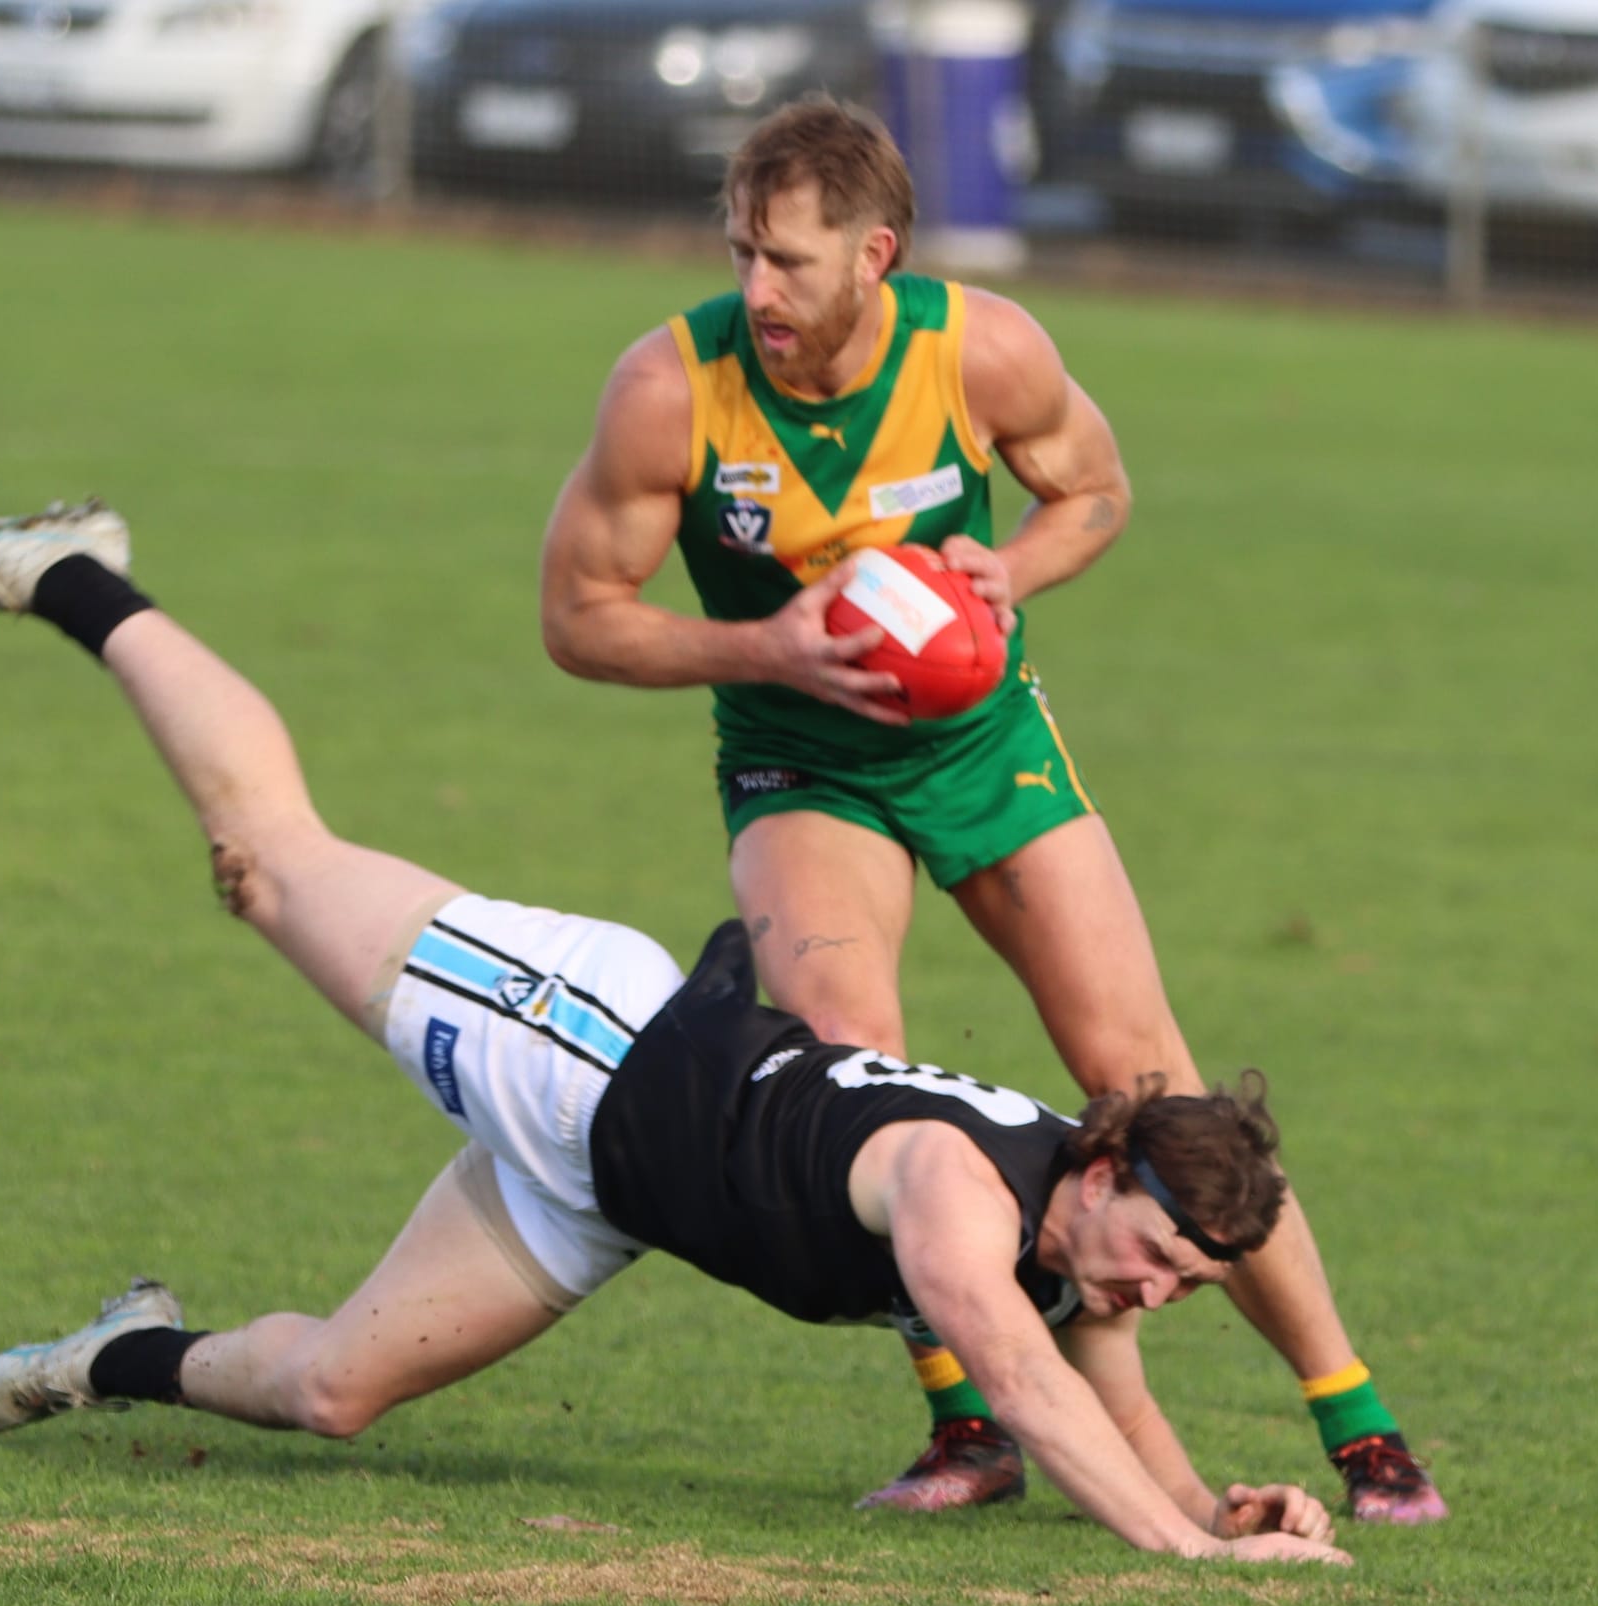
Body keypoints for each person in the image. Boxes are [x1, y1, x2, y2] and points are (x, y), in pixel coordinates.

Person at [0, 501, 1351, 1568]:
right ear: (1102, 1174)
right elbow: (1022, 1392)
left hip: (608, 1189)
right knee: (268, 860)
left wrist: (1217, 1506)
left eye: (1185, 1279)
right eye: (1160, 1255)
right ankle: (67, 570)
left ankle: (108, 1355)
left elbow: (1116, 1402)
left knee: (332, 1392)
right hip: (580, 1042)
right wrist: (1191, 1565)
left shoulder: (1080, 1251)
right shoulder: (968, 1198)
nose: (1154, 1292)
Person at [537, 96, 1443, 1523]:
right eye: (741, 253)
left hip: (985, 748)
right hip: (802, 759)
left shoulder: (983, 351)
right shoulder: (671, 386)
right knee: (856, 1072)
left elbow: (1096, 493)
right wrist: (764, 648)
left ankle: (1359, 1421)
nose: (754, 288)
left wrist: (1017, 571)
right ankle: (971, 1422)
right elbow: (579, 619)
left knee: (1155, 1076)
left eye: (785, 260)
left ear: (875, 254)